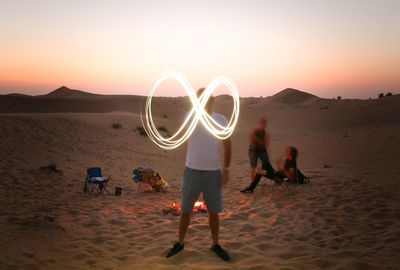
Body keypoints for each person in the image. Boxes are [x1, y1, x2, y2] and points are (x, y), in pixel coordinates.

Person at [166, 88, 232, 261]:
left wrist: (226, 169)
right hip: (192, 172)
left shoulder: (221, 120)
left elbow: (227, 144)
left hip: (213, 173)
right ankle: (179, 243)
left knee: (213, 212)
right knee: (186, 210)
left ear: (212, 100)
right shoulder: (191, 117)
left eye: (206, 98)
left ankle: (215, 244)